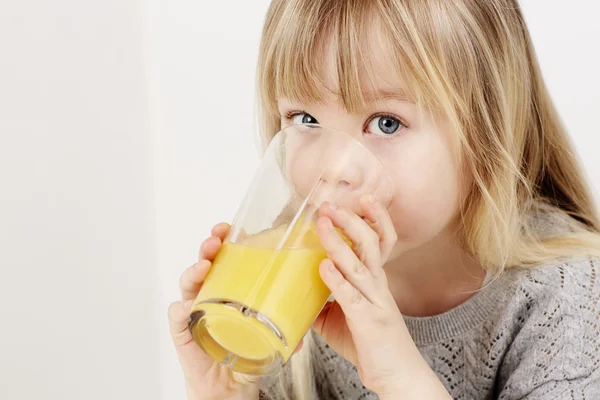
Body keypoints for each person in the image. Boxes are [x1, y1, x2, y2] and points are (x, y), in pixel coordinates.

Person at [168, 0, 600, 398]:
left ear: (485, 135)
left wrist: (397, 376)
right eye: (306, 119)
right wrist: (227, 394)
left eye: (386, 123)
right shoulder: (295, 294)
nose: (332, 170)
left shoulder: (564, 301)